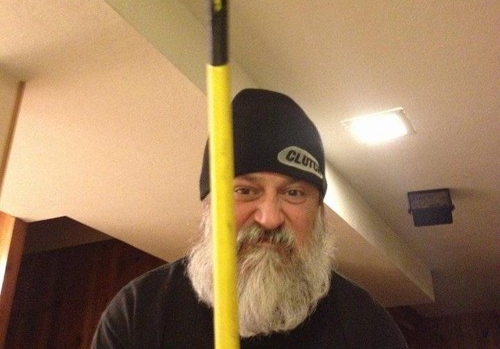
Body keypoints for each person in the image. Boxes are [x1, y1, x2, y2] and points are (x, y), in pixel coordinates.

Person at [92, 88, 408, 348]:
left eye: (294, 193)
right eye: (245, 191)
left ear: (319, 213)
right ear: (209, 206)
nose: (269, 218)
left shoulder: (367, 329)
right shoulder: (140, 314)